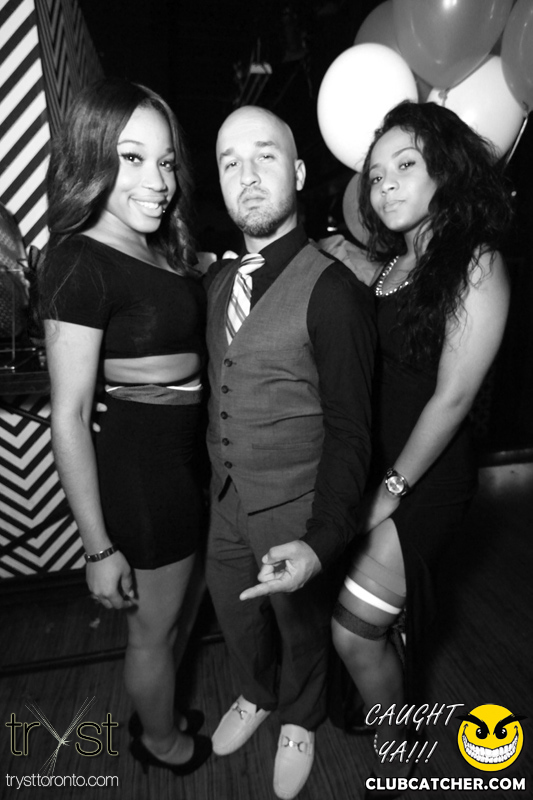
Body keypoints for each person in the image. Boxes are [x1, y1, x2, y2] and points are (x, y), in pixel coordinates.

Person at [329, 101, 512, 798]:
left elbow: (452, 398)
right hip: (379, 466)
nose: (385, 186)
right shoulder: (392, 264)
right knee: (369, 621)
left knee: (354, 632)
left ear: (445, 170)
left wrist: (389, 491)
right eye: (375, 176)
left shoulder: (476, 261)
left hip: (425, 480)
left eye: (405, 166)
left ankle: (399, 752)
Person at [39, 78, 211, 775]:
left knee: (182, 612)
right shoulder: (77, 258)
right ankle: (159, 741)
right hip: (145, 477)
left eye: (165, 161)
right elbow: (69, 414)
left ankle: (159, 713)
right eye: (132, 158)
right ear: (93, 159)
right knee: (153, 632)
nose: (158, 182)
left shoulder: (153, 248)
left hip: (186, 462)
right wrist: (97, 548)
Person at [204, 105, 376, 799]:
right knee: (234, 612)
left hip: (295, 507)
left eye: (265, 156)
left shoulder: (333, 291)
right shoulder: (219, 283)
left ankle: (301, 717)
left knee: (299, 626)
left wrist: (321, 539)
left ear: (299, 172)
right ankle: (256, 692)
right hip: (224, 500)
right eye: (230, 162)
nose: (247, 175)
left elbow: (352, 431)